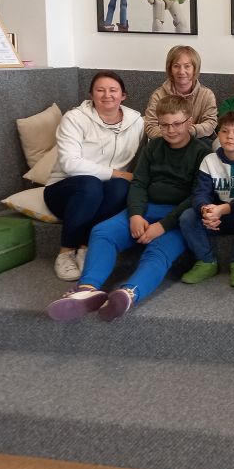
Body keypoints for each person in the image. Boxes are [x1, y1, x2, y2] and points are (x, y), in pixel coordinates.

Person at [46, 95, 210, 322]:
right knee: (101, 232)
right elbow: (139, 183)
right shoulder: (153, 147)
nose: (171, 130)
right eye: (164, 125)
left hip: (178, 217)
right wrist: (135, 215)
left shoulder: (203, 153)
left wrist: (163, 226)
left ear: (189, 122)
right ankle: (87, 289)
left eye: (177, 124)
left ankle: (129, 293)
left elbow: (197, 196)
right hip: (145, 208)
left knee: (158, 252)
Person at [44, 70, 144, 281]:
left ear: (123, 95)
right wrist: (116, 173)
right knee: (91, 185)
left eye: (113, 90)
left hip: (106, 193)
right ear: (91, 95)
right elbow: (70, 163)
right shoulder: (74, 118)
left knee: (121, 187)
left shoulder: (136, 121)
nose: (107, 95)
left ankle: (85, 247)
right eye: (100, 90)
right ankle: (65, 252)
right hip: (66, 190)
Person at [178, 110, 234, 287]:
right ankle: (206, 262)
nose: (229, 136)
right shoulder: (209, 160)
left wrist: (222, 210)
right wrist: (206, 210)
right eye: (224, 131)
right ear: (218, 135)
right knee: (187, 217)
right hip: (215, 217)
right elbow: (200, 193)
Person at [144, 45, 217, 140]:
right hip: (165, 141)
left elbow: (211, 123)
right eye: (176, 66)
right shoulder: (158, 95)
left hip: (197, 140)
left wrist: (188, 131)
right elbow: (150, 127)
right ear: (170, 69)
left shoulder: (207, 95)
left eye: (187, 66)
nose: (181, 71)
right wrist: (172, 134)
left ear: (195, 69)